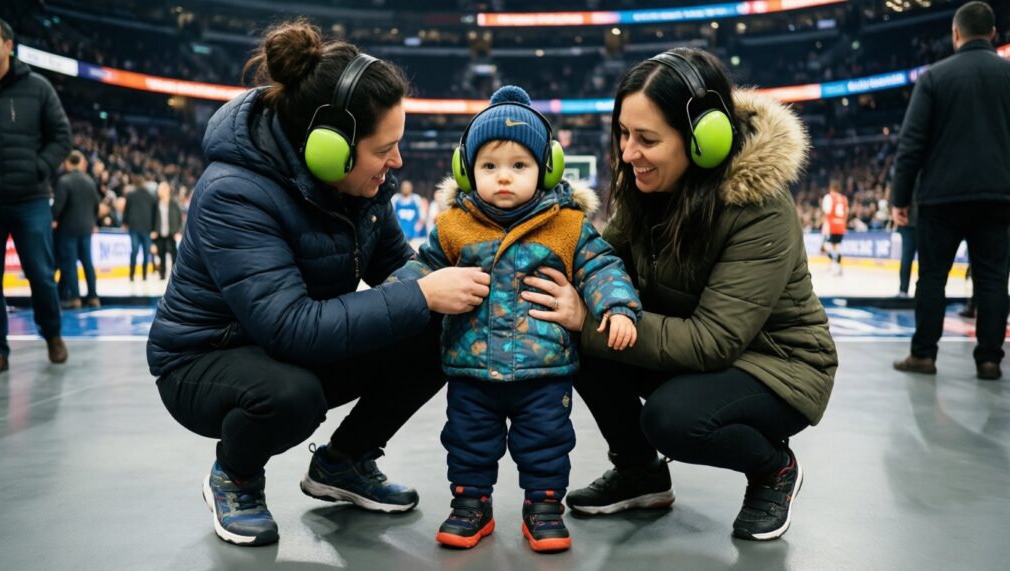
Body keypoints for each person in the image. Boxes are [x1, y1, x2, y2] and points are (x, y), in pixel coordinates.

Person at [146, 20, 490, 547]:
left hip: (290, 341)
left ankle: (344, 462)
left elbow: (402, 271)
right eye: (384, 149)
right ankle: (234, 478)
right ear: (329, 148)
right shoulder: (233, 193)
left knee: (435, 332)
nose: (396, 162)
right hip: (202, 361)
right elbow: (291, 328)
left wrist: (490, 257)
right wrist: (422, 293)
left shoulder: (358, 182)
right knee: (293, 397)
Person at [522, 48, 837, 541]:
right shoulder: (646, 187)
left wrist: (589, 319)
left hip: (780, 367)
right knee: (575, 334)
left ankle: (774, 469)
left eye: (647, 139)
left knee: (672, 419)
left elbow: (713, 341)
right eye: (624, 134)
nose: (628, 153)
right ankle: (640, 473)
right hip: (694, 346)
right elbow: (597, 265)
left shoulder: (760, 209)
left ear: (703, 140)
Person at [389, 85, 642, 553]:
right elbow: (421, 268)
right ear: (467, 170)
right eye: (489, 166)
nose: (503, 178)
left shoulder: (567, 226)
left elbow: (602, 267)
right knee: (468, 442)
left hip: (543, 371)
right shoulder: (452, 226)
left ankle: (544, 507)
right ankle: (470, 506)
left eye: (519, 166)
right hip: (472, 369)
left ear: (546, 170)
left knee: (546, 443)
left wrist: (616, 307)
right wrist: (397, 295)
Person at [891, 1, 1010, 381]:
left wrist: (899, 198)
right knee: (993, 279)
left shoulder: (934, 77)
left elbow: (911, 145)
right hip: (997, 194)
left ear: (955, 34)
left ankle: (924, 354)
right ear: (993, 34)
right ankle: (990, 360)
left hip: (942, 197)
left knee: (932, 278)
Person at [0, 14, 71, 374]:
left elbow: (61, 137)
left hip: (31, 199)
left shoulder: (38, 87)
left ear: (8, 45)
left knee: (39, 273)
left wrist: (39, 168)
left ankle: (51, 333)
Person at [52, 150, 101, 309]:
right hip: (86, 227)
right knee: (87, 262)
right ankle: (93, 296)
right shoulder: (90, 181)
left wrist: (53, 219)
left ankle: (75, 297)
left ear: (67, 163)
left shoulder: (64, 181)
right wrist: (92, 222)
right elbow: (96, 206)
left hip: (68, 228)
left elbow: (58, 207)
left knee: (70, 263)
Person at [149, 181, 182, 281]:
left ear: (166, 190)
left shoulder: (173, 203)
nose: (159, 191)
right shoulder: (155, 203)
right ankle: (162, 274)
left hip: (172, 232)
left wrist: (178, 230)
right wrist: (153, 230)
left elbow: (178, 218)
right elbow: (152, 218)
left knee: (173, 254)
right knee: (161, 254)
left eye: (161, 189)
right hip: (159, 232)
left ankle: (174, 275)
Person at [122, 182, 155, 281]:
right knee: (145, 252)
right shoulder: (150, 196)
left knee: (135, 250)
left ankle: (132, 275)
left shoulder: (131, 195)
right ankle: (144, 275)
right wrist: (154, 228)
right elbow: (154, 213)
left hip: (134, 226)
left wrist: (125, 222)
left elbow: (126, 210)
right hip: (146, 228)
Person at [820, 180, 848, 276]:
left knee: (826, 247)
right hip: (841, 225)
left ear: (831, 188)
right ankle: (837, 266)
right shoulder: (844, 198)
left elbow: (826, 212)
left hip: (831, 225)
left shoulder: (828, 197)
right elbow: (846, 213)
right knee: (837, 246)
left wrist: (824, 225)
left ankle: (835, 265)